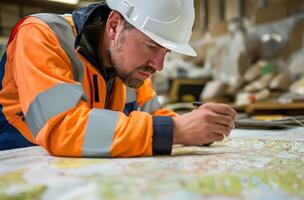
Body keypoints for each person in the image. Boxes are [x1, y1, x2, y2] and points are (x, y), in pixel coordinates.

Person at [0, 0, 237, 157]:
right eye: (151, 46)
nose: (159, 65)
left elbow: (154, 115)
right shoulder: (41, 34)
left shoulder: (130, 67)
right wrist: (177, 131)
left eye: (166, 52)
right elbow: (62, 127)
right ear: (114, 26)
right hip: (17, 163)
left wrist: (199, 126)